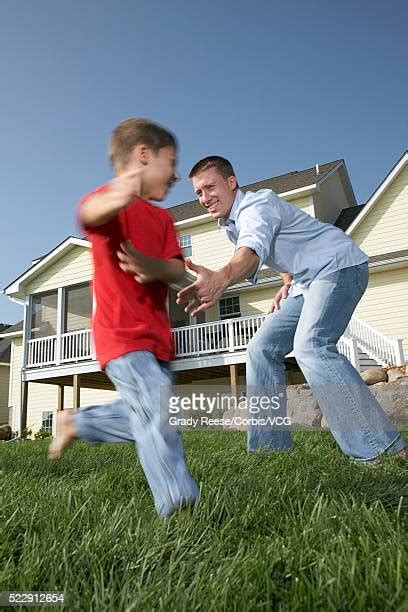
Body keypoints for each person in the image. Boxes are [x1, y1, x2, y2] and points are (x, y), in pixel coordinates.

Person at [176, 155, 407, 463]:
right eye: (198, 193)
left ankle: (380, 447)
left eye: (210, 187)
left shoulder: (257, 206)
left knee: (311, 346)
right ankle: (270, 451)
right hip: (305, 282)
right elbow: (275, 249)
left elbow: (252, 250)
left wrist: (221, 278)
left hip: (338, 266)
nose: (204, 198)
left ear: (231, 183)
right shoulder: (230, 224)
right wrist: (286, 281)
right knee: (260, 348)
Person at [49, 118, 199, 517]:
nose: (177, 173)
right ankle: (178, 503)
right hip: (120, 334)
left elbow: (173, 267)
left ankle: (77, 423)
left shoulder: (164, 220)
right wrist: (120, 192)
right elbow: (90, 211)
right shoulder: (111, 204)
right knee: (156, 408)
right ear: (143, 156)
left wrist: (152, 266)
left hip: (158, 339)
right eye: (171, 161)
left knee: (149, 413)